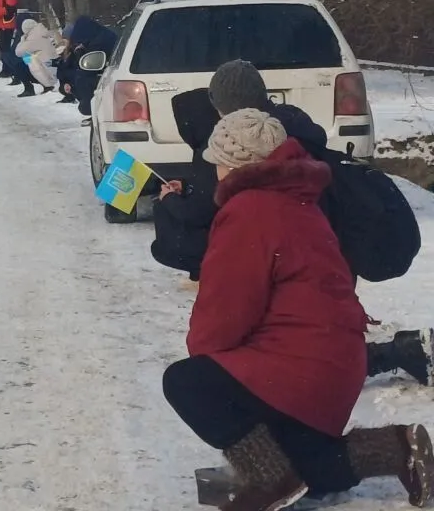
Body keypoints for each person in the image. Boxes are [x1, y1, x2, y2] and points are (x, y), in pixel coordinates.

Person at [162, 108, 434, 510]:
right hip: (336, 364)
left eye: (217, 162)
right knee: (306, 466)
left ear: (235, 165)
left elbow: (224, 316)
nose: (214, 172)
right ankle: (398, 448)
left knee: (187, 383)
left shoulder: (249, 211)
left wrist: (215, 376)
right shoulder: (299, 202)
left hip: (301, 367)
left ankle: (269, 480)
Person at [154, 60, 434, 387]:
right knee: (312, 332)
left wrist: (171, 203)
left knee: (288, 347)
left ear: (218, 106)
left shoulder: (241, 148)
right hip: (330, 246)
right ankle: (398, 353)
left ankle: (382, 367)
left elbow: (204, 217)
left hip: (289, 258)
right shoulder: (296, 130)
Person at [59, 16, 117, 120]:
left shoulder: (98, 42)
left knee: (82, 77)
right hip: (96, 74)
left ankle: (91, 107)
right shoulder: (91, 40)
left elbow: (88, 66)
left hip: (102, 75)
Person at [13, 18, 58, 98]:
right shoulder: (42, 33)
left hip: (46, 72)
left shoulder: (33, 37)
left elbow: (18, 52)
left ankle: (29, 88)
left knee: (19, 66)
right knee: (28, 57)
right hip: (51, 67)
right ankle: (45, 85)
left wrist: (23, 40)